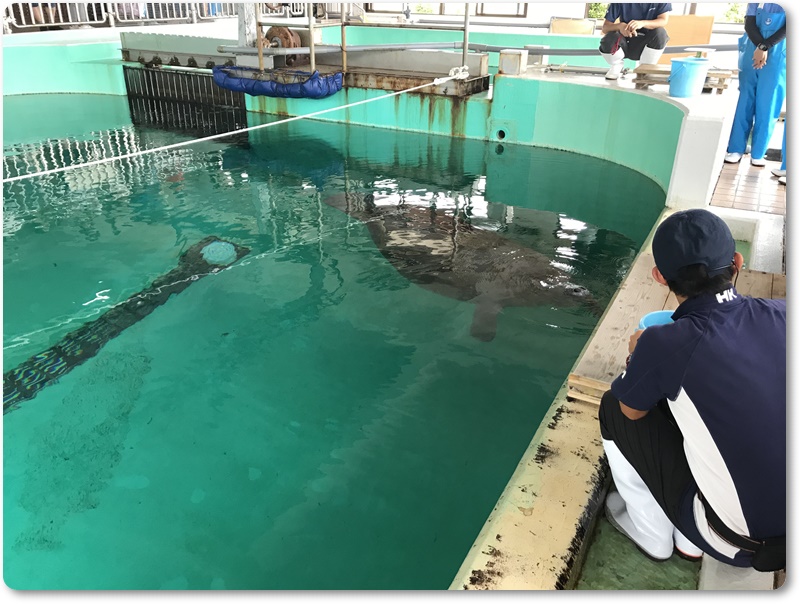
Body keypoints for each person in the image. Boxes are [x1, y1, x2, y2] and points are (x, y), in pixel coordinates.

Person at [598, 209, 786, 571]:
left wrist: (643, 357)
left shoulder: (664, 343)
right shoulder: (783, 313)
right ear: (737, 262)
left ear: (658, 277)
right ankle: (688, 536)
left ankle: (653, 533)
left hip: (740, 544)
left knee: (614, 406)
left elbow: (631, 412)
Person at [724, 4, 786, 167]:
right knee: (745, 99)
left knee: (768, 103)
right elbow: (749, 23)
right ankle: (735, 148)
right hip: (752, 48)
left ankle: (758, 152)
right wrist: (760, 47)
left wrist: (765, 47)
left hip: (778, 53)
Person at [599, 3, 672, 81]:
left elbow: (663, 20)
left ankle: (645, 69)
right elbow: (605, 28)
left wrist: (643, 23)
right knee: (608, 38)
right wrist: (620, 26)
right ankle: (616, 65)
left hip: (647, 44)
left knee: (660, 33)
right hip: (624, 42)